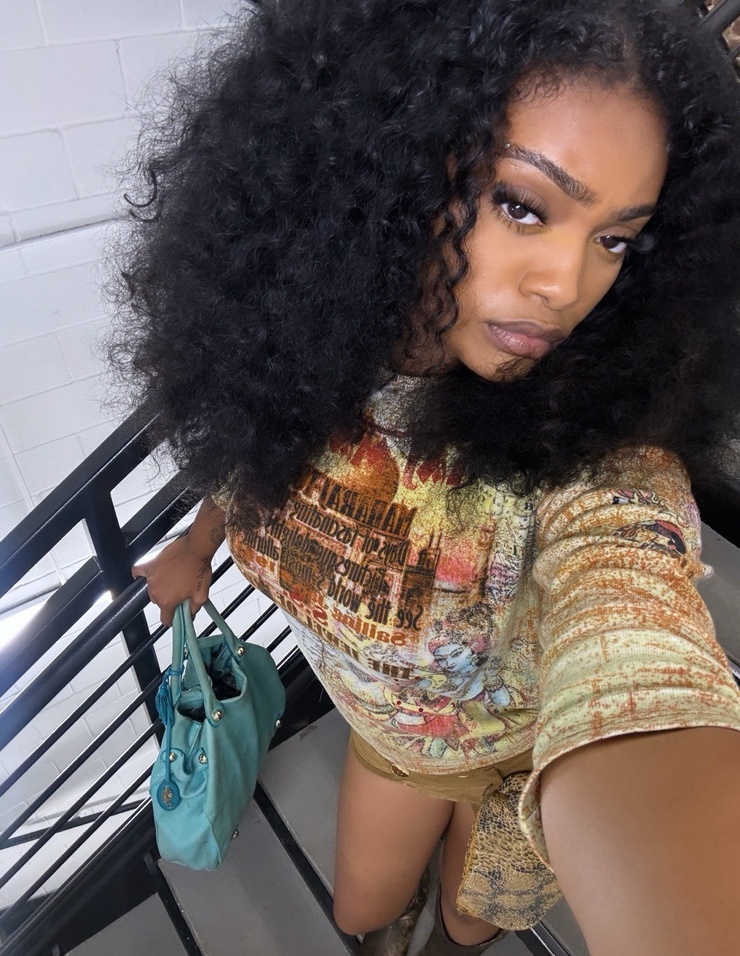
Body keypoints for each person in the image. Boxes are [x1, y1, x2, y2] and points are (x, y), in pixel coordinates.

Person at [111, 1, 740, 953]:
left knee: (464, 925)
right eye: (522, 204)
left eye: (616, 239)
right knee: (363, 918)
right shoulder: (302, 362)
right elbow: (252, 462)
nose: (567, 285)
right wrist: (197, 548)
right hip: (395, 740)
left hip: (527, 762)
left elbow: (630, 611)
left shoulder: (600, 454)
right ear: (389, 168)